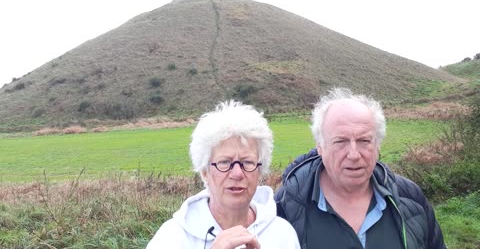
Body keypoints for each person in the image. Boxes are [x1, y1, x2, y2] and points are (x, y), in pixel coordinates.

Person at [274, 88, 446, 249]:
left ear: (377, 145)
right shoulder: (285, 204)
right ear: (320, 147)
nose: (354, 155)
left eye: (364, 141)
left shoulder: (410, 196)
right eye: (340, 142)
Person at [147, 100, 300, 249]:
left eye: (247, 162)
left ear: (259, 171)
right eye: (225, 162)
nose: (237, 173)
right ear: (205, 171)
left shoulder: (282, 235)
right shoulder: (172, 238)